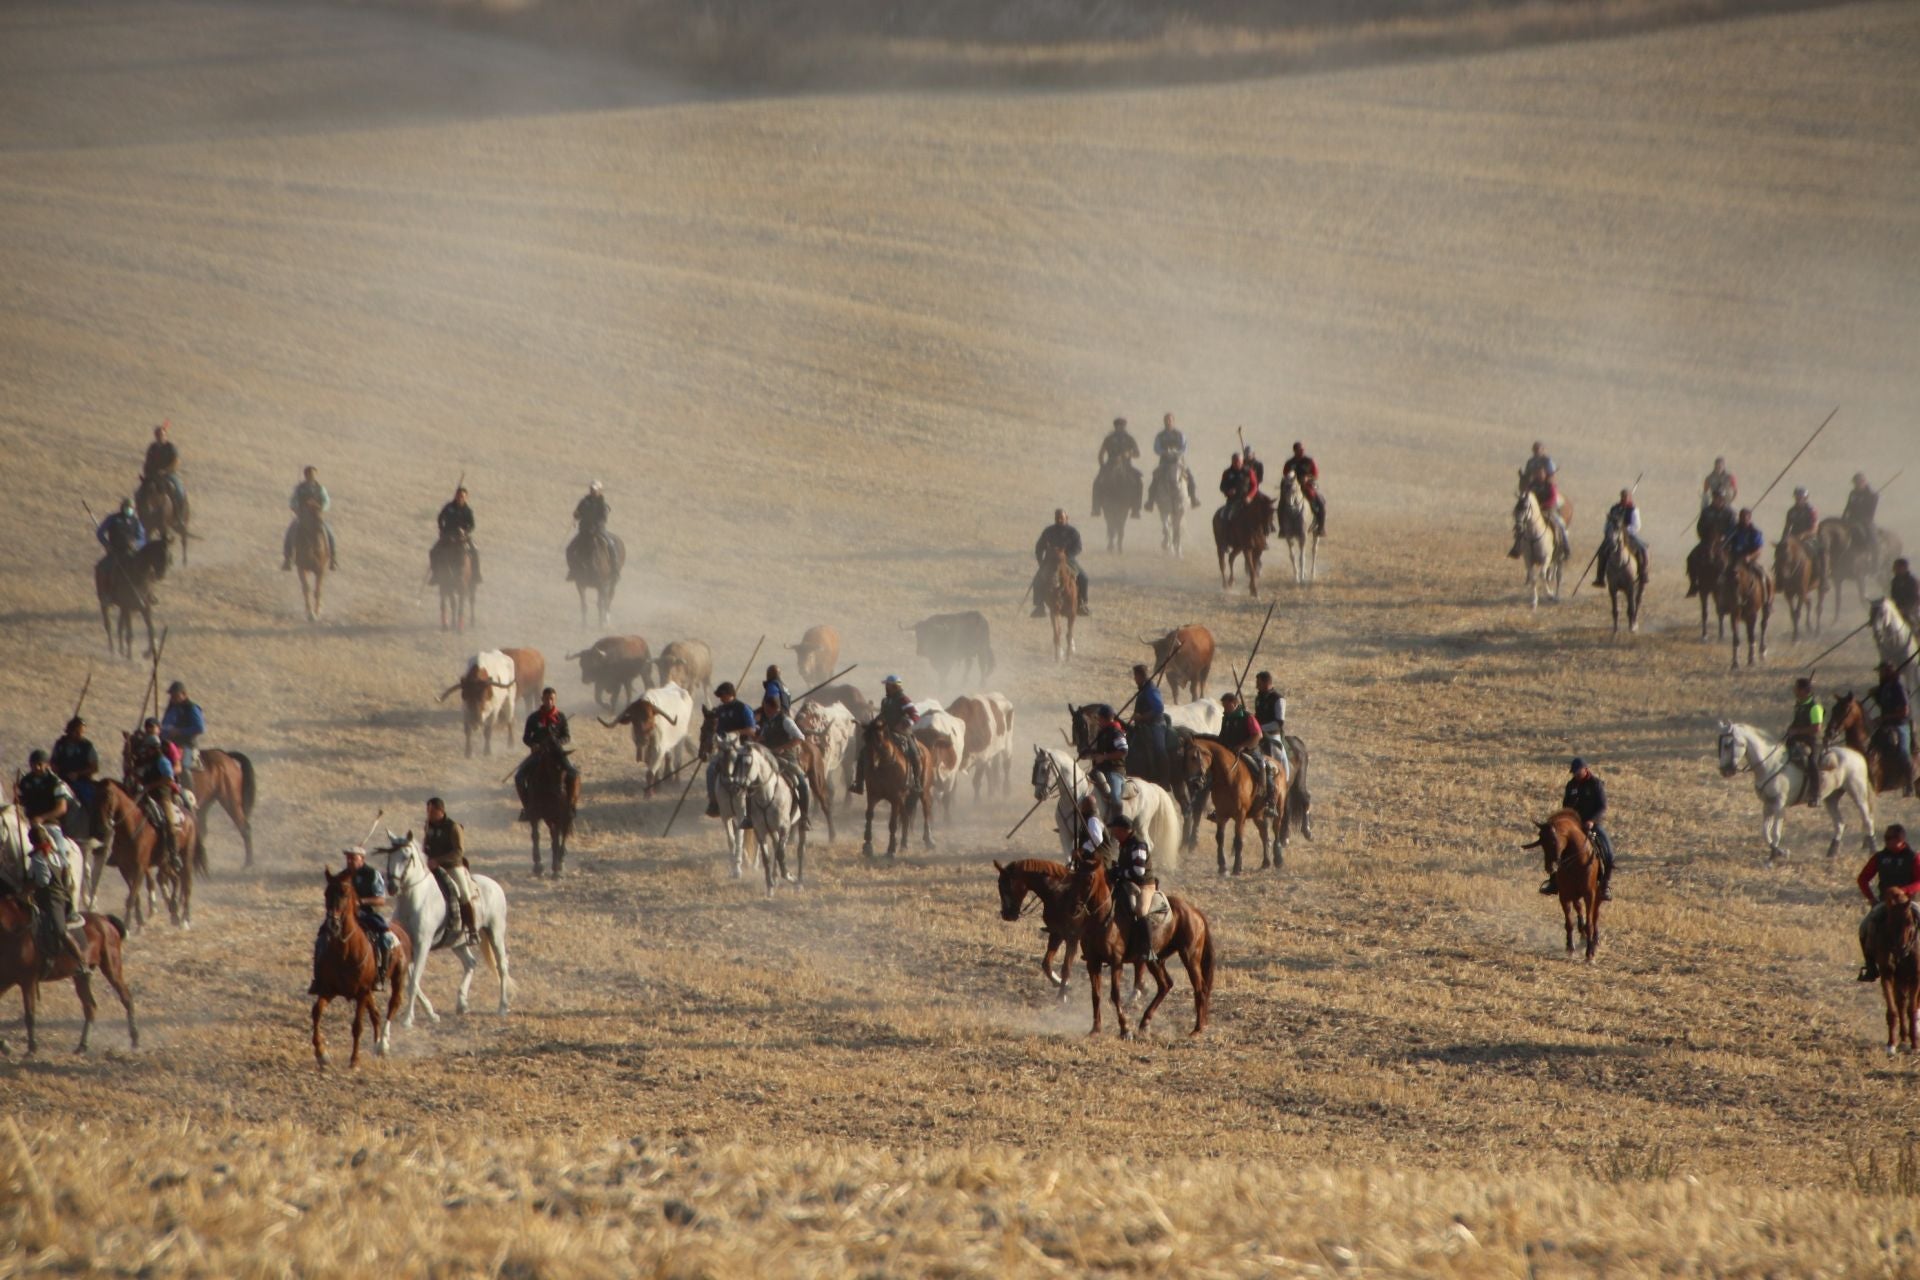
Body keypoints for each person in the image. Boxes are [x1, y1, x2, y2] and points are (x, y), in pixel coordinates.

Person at [310, 844, 395, 994]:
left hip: (368, 913)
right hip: (344, 916)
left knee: (386, 938)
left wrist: (360, 902)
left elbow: (381, 900)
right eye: (348, 858)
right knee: (321, 939)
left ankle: (380, 976)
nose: (349, 861)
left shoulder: (372, 874)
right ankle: (319, 979)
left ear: (362, 859)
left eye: (353, 858)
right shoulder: (342, 876)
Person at [1542, 758, 1613, 901]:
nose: (1575, 774)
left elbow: (1602, 807)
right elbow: (1566, 806)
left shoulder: (1596, 784)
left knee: (1608, 852)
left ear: (1585, 769)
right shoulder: (1571, 785)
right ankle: (1553, 881)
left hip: (1592, 824)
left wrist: (1592, 821)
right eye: (1573, 772)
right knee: (1555, 847)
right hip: (1573, 826)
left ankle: (1604, 885)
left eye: (1577, 771)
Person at [1857, 824, 1920, 981]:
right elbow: (1862, 878)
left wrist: (1904, 890)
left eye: (1892, 838)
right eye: (1886, 838)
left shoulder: (1913, 857)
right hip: (1886, 903)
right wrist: (1871, 898)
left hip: (1908, 903)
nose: (1888, 842)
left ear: (1901, 840)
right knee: (1865, 927)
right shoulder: (1879, 857)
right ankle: (1870, 965)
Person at [24, 825, 89, 973]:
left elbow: (43, 881)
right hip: (62, 895)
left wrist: (27, 888)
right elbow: (66, 873)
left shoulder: (39, 858)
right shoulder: (56, 854)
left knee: (60, 930)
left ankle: (81, 960)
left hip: (51, 899)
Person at [848, 676, 920, 797]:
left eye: (888, 685)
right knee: (864, 753)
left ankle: (917, 782)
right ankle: (859, 784)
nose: (886, 688)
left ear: (895, 686)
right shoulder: (885, 701)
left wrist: (905, 724)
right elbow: (882, 716)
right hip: (885, 733)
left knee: (914, 753)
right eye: (886, 685)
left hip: (902, 732)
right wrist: (866, 724)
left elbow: (915, 715)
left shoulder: (904, 700)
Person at [422, 797, 478, 946]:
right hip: (432, 866)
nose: (429, 814)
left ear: (441, 811)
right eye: (428, 811)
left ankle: (472, 930)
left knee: (464, 894)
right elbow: (425, 845)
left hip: (452, 866)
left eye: (432, 811)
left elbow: (458, 852)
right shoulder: (428, 826)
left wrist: (438, 861)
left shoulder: (453, 827)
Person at [514, 688, 577, 820]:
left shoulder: (561, 717)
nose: (549, 701)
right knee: (519, 777)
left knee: (573, 773)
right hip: (538, 754)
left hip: (556, 754)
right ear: (542, 699)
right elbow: (526, 737)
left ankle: (570, 806)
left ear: (555, 700)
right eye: (546, 698)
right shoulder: (533, 718)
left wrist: (556, 743)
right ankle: (527, 808)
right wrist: (533, 745)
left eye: (551, 699)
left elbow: (567, 737)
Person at [754, 693, 812, 829]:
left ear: (774, 708)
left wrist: (781, 748)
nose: (765, 711)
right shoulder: (768, 722)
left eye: (767, 708)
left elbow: (800, 737)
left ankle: (804, 817)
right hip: (768, 759)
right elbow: (762, 738)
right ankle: (749, 817)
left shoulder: (786, 721)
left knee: (802, 783)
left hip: (786, 759)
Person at [702, 682, 757, 818]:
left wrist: (733, 733)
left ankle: (753, 803)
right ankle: (714, 802)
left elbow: (752, 730)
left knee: (750, 772)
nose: (720, 698)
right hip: (724, 748)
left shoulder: (743, 709)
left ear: (729, 694)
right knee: (711, 770)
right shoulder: (719, 711)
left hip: (742, 747)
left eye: (722, 695)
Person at [1217, 691, 1275, 814]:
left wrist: (1242, 746)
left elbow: (1257, 735)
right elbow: (1222, 736)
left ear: (1234, 704)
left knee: (1263, 766)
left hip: (1249, 750)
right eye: (1224, 706)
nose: (1225, 709)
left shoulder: (1248, 717)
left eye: (1226, 706)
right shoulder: (1226, 719)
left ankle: (1270, 800)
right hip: (1229, 751)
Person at [1109, 814, 1157, 959]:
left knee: (1140, 910)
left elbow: (1138, 871)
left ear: (1124, 830)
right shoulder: (1124, 843)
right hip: (1128, 882)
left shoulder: (1138, 844)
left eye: (1116, 831)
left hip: (1144, 885)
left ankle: (1148, 950)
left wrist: (1119, 871)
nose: (1114, 834)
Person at [50, 716, 100, 852]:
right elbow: (53, 761)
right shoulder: (60, 744)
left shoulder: (87, 746)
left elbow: (94, 767)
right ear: (70, 730)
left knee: (93, 801)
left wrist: (79, 774)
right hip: (61, 779)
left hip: (80, 781)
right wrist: (56, 770)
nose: (80, 734)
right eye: (77, 731)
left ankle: (94, 832)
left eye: (82, 732)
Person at [1030, 509, 1091, 617]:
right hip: (1049, 562)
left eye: (1061, 518)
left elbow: (1078, 548)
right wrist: (1041, 562)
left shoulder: (1073, 532)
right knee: (1037, 579)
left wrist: (1065, 556)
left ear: (1066, 518)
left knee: (1084, 578)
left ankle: (1082, 604)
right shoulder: (1048, 531)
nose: (1059, 520)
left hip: (1068, 560)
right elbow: (1039, 547)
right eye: (1057, 518)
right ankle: (1039, 606)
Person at [1868, 662, 1914, 797]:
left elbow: (1904, 711)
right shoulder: (1884, 687)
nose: (1879, 674)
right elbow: (1884, 704)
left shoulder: (1899, 687)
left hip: (1900, 724)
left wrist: (1885, 717)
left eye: (1881, 672)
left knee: (1903, 751)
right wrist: (1875, 695)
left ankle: (1909, 783)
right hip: (1886, 724)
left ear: (1888, 672)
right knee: (1872, 744)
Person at [1078, 705, 1129, 824]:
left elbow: (1123, 751)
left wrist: (1104, 757)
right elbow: (1100, 751)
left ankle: (1117, 825)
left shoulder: (1116, 732)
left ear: (1106, 718)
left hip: (1114, 771)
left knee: (1115, 799)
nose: (1098, 720)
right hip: (1099, 770)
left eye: (1099, 718)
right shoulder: (1102, 732)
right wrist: (1089, 753)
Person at [282, 466, 338, 571]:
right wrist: (297, 509)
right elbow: (293, 501)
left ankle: (333, 558)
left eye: (314, 475)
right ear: (306, 475)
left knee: (329, 531)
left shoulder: (320, 488)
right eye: (310, 475)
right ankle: (288, 558)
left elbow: (326, 502)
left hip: (316, 515)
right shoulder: (299, 488)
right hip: (302, 516)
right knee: (290, 530)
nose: (312, 477)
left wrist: (321, 507)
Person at [1592, 488, 1650, 589]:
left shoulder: (1633, 509)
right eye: (1622, 496)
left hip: (1629, 535)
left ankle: (1642, 574)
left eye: (1625, 497)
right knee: (1601, 552)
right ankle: (1600, 578)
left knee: (1643, 549)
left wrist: (1624, 530)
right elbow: (1608, 522)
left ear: (1629, 497)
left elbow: (1637, 525)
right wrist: (1608, 531)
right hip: (1614, 535)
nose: (1623, 498)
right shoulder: (1614, 508)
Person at [1147, 413, 1200, 511]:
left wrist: (1176, 452)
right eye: (1166, 420)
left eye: (1170, 420)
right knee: (1155, 479)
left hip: (1178, 462)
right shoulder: (1160, 436)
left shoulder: (1179, 434)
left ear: (1173, 421)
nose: (1168, 422)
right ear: (1164, 422)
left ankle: (1193, 499)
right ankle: (1150, 502)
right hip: (1164, 462)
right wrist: (1164, 452)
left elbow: (1184, 448)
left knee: (1190, 478)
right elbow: (1156, 448)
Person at [1093, 417, 1143, 519]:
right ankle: (1096, 508)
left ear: (1124, 427)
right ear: (1115, 427)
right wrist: (1102, 466)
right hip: (1110, 465)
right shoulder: (1108, 439)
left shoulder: (1129, 439)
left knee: (1139, 482)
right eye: (1118, 426)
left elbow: (1137, 453)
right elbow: (1101, 454)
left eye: (1122, 426)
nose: (1120, 428)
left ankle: (1136, 509)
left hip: (1126, 466)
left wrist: (1129, 454)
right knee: (1097, 482)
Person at [1252, 671, 1292, 793]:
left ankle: (1283, 782)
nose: (1256, 686)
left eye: (1258, 683)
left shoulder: (1278, 699)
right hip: (1257, 735)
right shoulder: (1259, 698)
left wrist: (1261, 728)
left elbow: (1279, 722)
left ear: (1266, 683)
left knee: (1282, 759)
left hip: (1273, 736)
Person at [433, 485, 480, 585]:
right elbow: (440, 517)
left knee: (475, 551)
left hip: (462, 537)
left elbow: (472, 525)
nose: (460, 498)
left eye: (462, 496)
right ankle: (435, 575)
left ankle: (476, 575)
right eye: (458, 496)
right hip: (448, 534)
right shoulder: (449, 507)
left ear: (466, 497)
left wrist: (465, 531)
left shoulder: (468, 510)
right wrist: (442, 529)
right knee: (433, 551)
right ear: (455, 496)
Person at [15, 750, 72, 828]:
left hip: (50, 823)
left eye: (40, 764)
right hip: (28, 823)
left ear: (47, 765)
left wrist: (42, 818)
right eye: (33, 765)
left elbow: (62, 808)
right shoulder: (25, 781)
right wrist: (18, 800)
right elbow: (20, 801)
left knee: (58, 840)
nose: (37, 767)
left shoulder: (55, 782)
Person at [567, 481, 611, 581]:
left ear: (600, 490)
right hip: (584, 532)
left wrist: (595, 527)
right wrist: (576, 515)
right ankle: (573, 571)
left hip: (598, 531)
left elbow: (603, 519)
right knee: (569, 549)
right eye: (591, 489)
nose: (593, 491)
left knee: (611, 546)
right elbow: (578, 514)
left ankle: (615, 571)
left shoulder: (602, 504)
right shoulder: (584, 502)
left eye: (595, 489)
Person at [1281, 442, 1326, 537]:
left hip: (1307, 486)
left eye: (1303, 450)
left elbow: (1316, 474)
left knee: (1320, 502)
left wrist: (1308, 478)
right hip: (1292, 488)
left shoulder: (1309, 461)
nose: (1302, 451)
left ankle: (1320, 527)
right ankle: (1282, 529)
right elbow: (1285, 474)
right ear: (1295, 451)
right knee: (1281, 503)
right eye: (1300, 450)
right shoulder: (1290, 463)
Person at [1783, 676, 1824, 779]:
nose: (1794, 690)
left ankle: (1816, 792)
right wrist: (1791, 729)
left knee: (1812, 763)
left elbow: (1816, 728)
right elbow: (1797, 722)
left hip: (1813, 741)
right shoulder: (1799, 705)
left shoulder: (1815, 707)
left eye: (1796, 688)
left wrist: (1797, 731)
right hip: (1798, 739)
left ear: (1802, 691)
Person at [160, 681, 205, 774]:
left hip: (187, 746)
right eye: (172, 695)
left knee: (184, 768)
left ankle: (188, 788)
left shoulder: (191, 708)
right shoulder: (171, 708)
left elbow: (199, 728)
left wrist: (179, 731)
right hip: (169, 744)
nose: (173, 698)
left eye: (175, 695)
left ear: (184, 694)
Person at [141, 421, 184, 509]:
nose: (160, 437)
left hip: (169, 474)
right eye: (158, 435)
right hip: (154, 474)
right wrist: (147, 472)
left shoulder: (170, 447)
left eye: (162, 435)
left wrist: (165, 471)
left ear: (165, 435)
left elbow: (175, 462)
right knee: (140, 492)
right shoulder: (152, 447)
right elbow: (148, 461)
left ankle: (179, 515)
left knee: (178, 491)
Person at [1068, 794, 1106, 872]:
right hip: (1091, 859)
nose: (1080, 808)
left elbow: (1097, 838)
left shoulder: (1093, 819)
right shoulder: (1089, 818)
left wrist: (1081, 850)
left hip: (1097, 862)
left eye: (1082, 806)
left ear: (1086, 807)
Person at [1725, 508, 1764, 580]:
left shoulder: (1755, 532)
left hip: (1749, 560)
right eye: (1741, 518)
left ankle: (1765, 590)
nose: (1743, 520)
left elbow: (1759, 549)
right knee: (1722, 575)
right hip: (1735, 558)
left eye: (1745, 518)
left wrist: (1750, 557)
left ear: (1749, 518)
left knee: (1762, 576)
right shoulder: (1734, 530)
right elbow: (1726, 543)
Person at [1218, 453, 1253, 522]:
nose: (1237, 464)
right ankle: (1225, 532)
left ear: (1242, 462)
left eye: (1239, 462)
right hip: (1232, 501)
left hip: (1247, 500)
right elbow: (1222, 486)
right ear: (1232, 462)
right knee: (1225, 518)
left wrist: (1249, 496)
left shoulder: (1248, 472)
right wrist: (1228, 491)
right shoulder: (1227, 473)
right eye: (1235, 462)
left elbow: (1255, 485)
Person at [1891, 558, 1920, 632]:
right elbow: (1893, 597)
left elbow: (1915, 599)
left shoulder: (1912, 581)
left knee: (1914, 624)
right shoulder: (1894, 581)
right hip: (1898, 609)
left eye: (1897, 568)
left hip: (1912, 609)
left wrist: (1906, 609)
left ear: (1904, 568)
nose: (1894, 570)